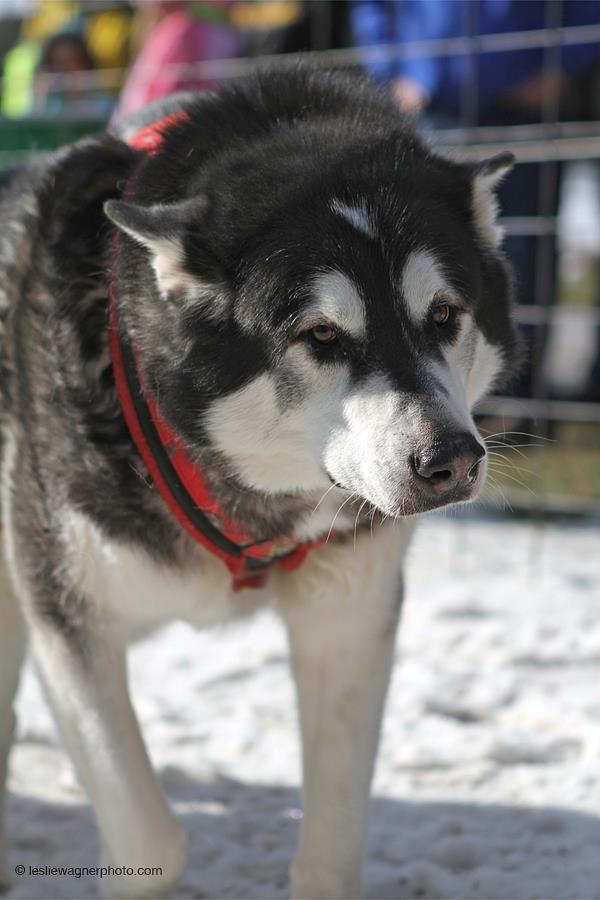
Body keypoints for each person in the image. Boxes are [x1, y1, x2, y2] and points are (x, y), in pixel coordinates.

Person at [350, 0, 600, 398]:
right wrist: (390, 72)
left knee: (524, 252)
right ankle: (443, 391)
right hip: (433, 110)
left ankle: (519, 397)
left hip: (525, 109)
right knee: (429, 259)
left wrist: (563, 66)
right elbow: (372, 8)